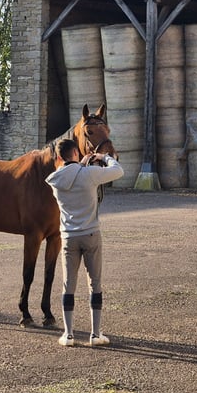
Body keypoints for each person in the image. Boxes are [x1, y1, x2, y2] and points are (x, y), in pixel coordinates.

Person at [45, 138, 123, 347]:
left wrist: (81, 164)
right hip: (91, 234)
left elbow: (70, 174)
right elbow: (118, 170)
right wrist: (102, 157)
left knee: (68, 285)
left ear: (59, 157)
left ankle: (68, 334)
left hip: (68, 236)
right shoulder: (89, 174)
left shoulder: (54, 180)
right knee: (94, 283)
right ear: (76, 154)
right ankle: (95, 334)